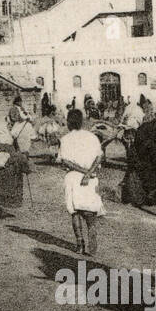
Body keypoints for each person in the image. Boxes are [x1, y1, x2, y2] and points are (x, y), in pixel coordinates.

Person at [57, 110, 103, 256]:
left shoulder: (65, 139)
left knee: (75, 212)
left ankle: (80, 244)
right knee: (90, 211)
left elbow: (65, 161)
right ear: (82, 121)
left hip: (73, 177)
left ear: (69, 122)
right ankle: (92, 237)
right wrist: (88, 173)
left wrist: (83, 172)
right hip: (90, 178)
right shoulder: (92, 137)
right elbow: (99, 157)